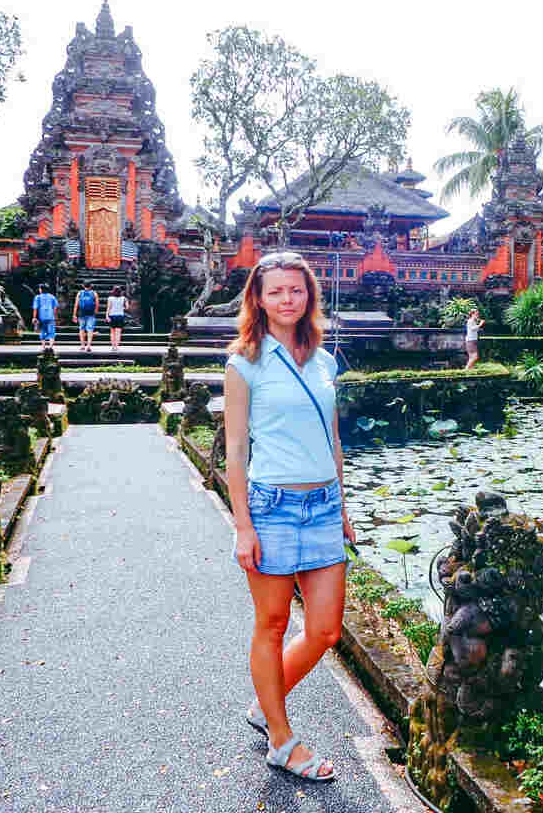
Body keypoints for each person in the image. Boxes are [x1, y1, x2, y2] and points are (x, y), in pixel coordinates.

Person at [224, 251, 356, 782]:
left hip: (323, 505)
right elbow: (235, 452)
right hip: (272, 507)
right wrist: (243, 526)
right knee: (273, 624)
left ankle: (264, 704)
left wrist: (344, 506)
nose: (286, 300)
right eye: (275, 291)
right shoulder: (244, 364)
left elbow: (333, 439)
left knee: (325, 631)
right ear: (258, 298)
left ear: (309, 296)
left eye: (296, 291)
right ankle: (281, 737)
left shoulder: (325, 359)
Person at [72, 283, 99, 352]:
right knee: (90, 329)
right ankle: (88, 346)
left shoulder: (80, 293)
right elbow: (97, 304)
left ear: (83, 286)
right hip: (91, 314)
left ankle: (82, 345)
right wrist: (95, 313)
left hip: (81, 313)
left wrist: (74, 315)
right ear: (91, 286)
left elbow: (76, 304)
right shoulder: (94, 293)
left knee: (81, 329)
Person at [32, 284, 58, 349]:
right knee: (51, 332)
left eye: (40, 288)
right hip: (51, 316)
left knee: (42, 331)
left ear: (41, 289)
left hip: (42, 317)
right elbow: (55, 308)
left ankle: (43, 346)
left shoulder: (38, 297)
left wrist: (34, 317)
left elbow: (35, 308)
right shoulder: (52, 297)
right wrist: (55, 316)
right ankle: (50, 347)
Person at [106, 285, 127, 352]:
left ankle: (113, 346)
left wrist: (107, 316)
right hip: (120, 316)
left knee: (112, 332)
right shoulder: (124, 298)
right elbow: (127, 307)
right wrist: (122, 308)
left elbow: (108, 308)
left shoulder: (110, 298)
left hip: (112, 316)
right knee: (118, 333)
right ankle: (117, 346)